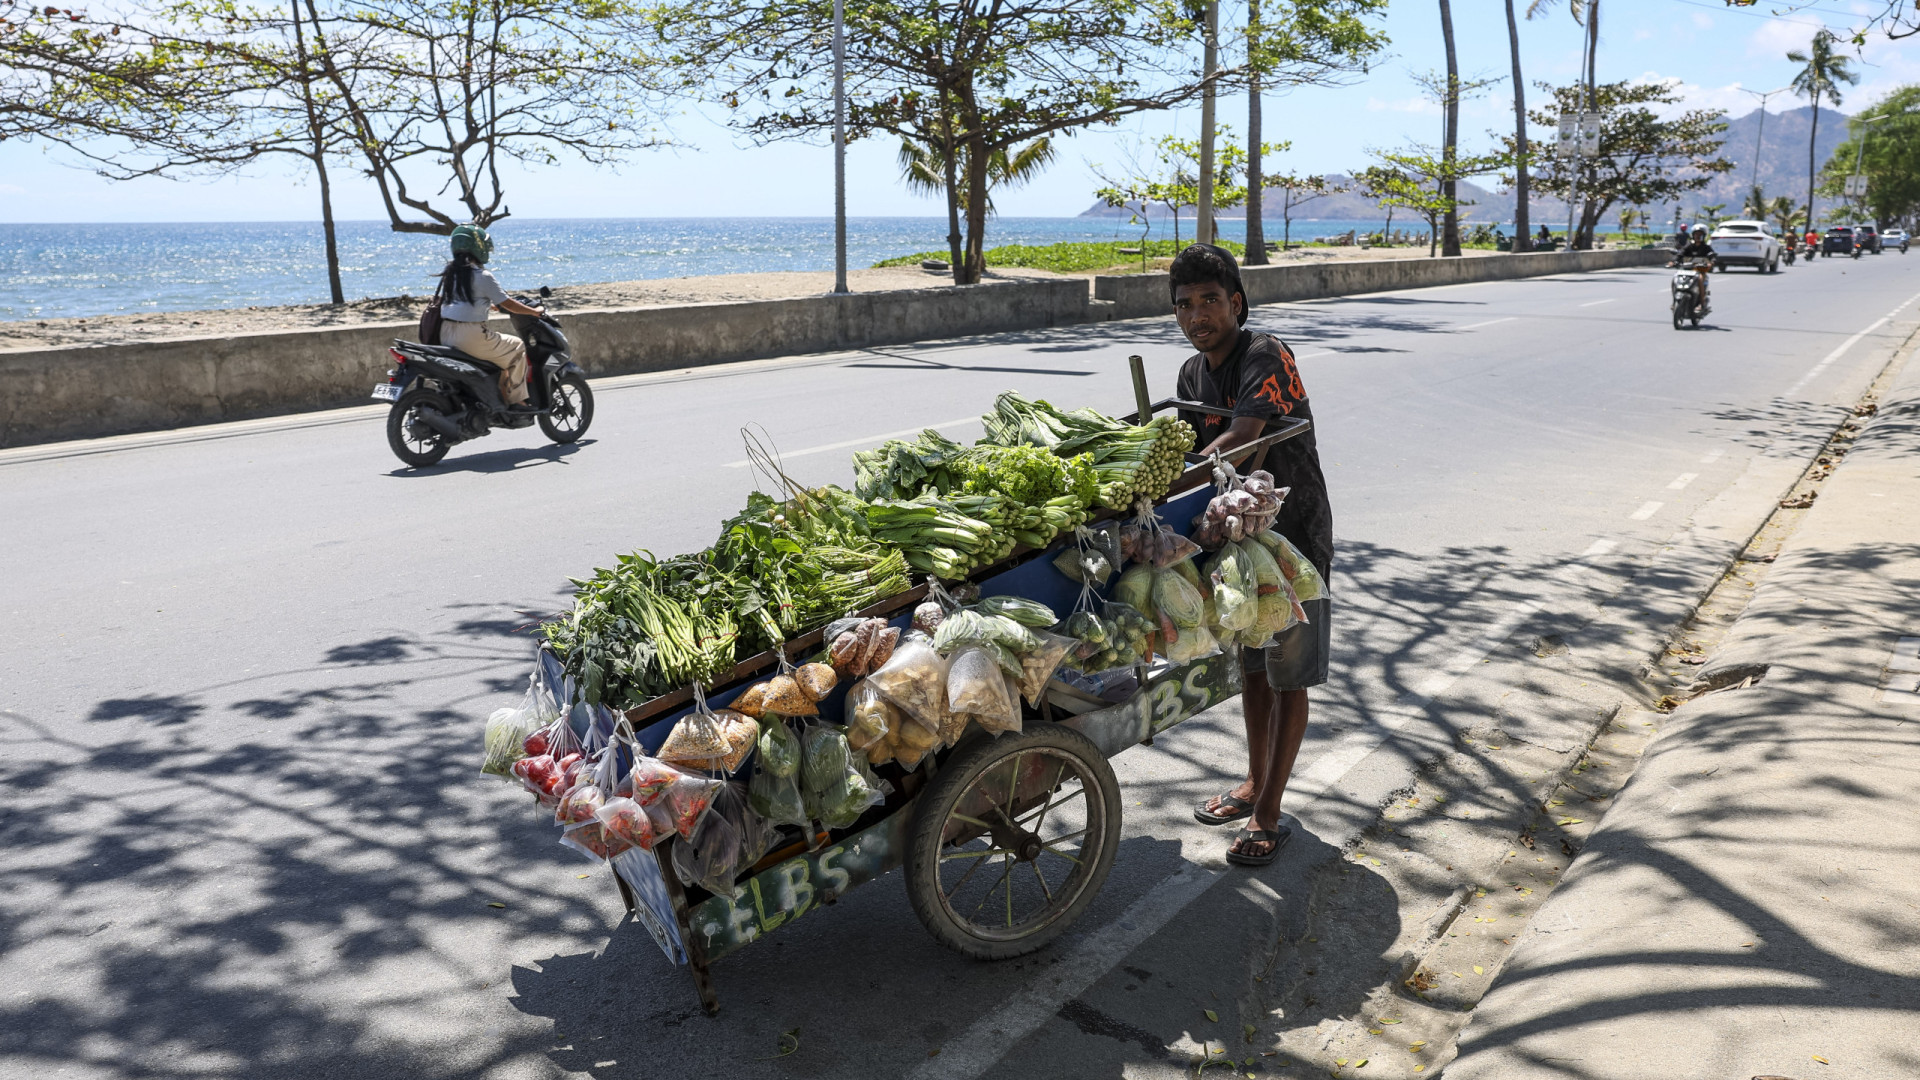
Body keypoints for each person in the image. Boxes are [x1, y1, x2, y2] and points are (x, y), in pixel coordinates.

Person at [1168, 244, 1334, 867]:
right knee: (1253, 666)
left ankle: (1269, 811)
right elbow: (1183, 443)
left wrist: (1169, 483)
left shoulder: (1265, 353)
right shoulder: (1191, 374)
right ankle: (1253, 780)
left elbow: (1241, 438)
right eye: (1185, 305)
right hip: (1240, 542)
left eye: (1210, 300)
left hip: (1294, 541)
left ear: (1235, 302)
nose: (1197, 315)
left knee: (1288, 673)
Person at [435, 223, 546, 411]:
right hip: (471, 336)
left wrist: (489, 304)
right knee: (517, 347)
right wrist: (535, 312)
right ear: (478, 248)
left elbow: (463, 299)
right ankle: (517, 400)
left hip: (445, 333)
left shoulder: (450, 274)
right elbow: (509, 304)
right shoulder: (483, 275)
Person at [1674, 225, 1715, 309]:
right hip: (1687, 270)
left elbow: (1712, 257)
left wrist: (1711, 262)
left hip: (1700, 271)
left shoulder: (1706, 248)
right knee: (1675, 278)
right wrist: (1674, 261)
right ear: (1693, 235)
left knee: (1700, 279)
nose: (1698, 236)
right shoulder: (1689, 246)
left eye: (1700, 235)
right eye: (1696, 234)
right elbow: (1680, 254)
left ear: (1704, 236)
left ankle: (1701, 303)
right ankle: (1674, 302)